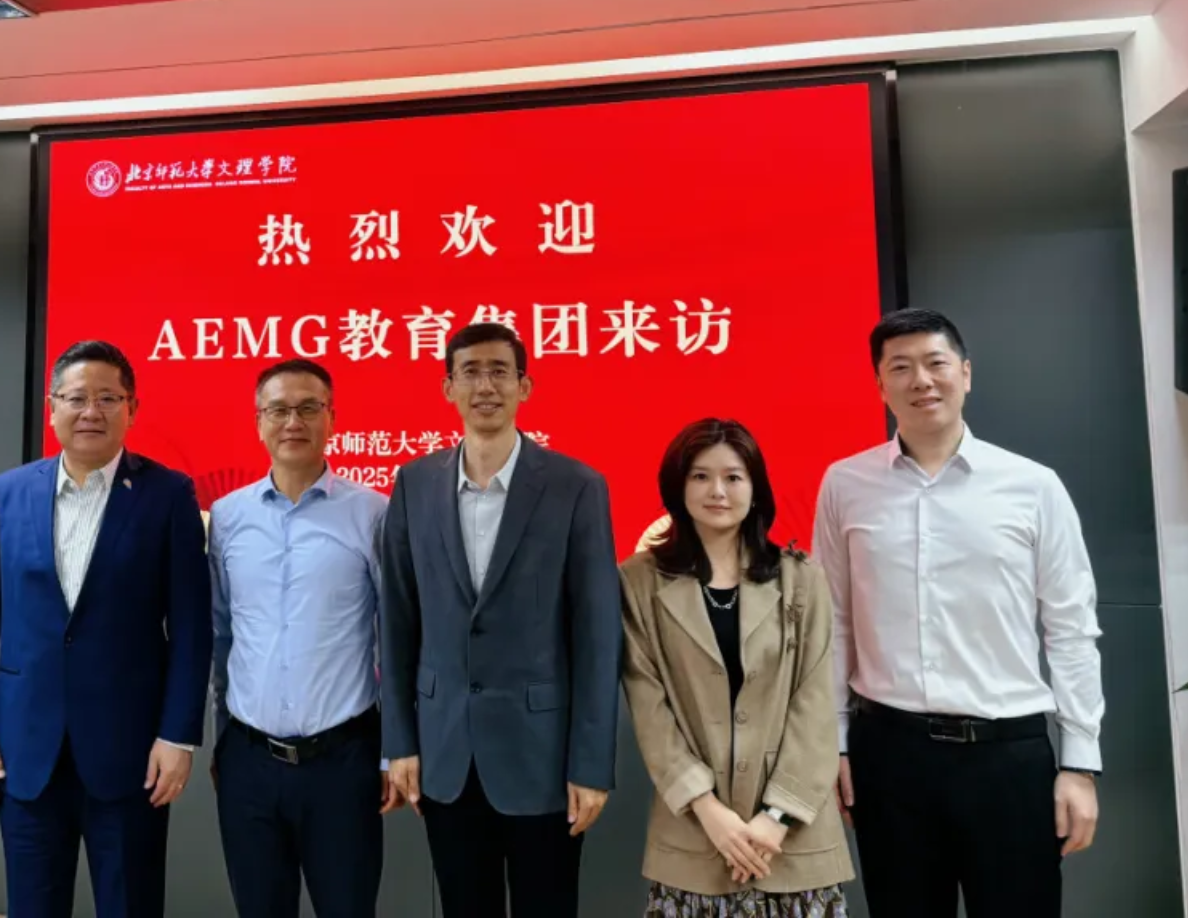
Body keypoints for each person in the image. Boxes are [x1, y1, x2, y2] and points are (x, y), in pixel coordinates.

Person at [816, 308, 1103, 918]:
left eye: (936, 363)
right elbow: (833, 621)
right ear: (880, 385)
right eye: (901, 368)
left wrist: (1080, 762)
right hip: (888, 756)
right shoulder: (845, 484)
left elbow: (1072, 629)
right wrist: (835, 742)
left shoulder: (1033, 486)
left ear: (966, 374)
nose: (921, 380)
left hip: (1007, 758)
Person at [0, 340, 212, 918]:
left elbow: (193, 630)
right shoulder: (8, 493)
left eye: (108, 398)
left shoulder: (168, 495)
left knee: (131, 904)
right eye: (76, 398)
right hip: (24, 750)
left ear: (132, 409)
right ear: (52, 408)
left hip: (132, 752)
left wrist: (178, 736)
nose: (91, 411)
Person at [379, 322, 622, 918]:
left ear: (524, 386)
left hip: (544, 758)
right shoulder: (414, 484)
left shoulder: (576, 486)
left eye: (499, 372)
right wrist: (400, 744)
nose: (485, 386)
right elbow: (398, 621)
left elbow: (597, 637)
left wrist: (591, 765)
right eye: (470, 372)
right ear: (448, 388)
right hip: (446, 755)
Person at [619, 418, 852, 918]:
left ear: (755, 487)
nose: (717, 491)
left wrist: (775, 817)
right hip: (693, 833)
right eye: (700, 476)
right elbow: (648, 704)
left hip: (791, 839)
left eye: (733, 477)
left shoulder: (801, 578)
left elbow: (816, 703)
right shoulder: (637, 582)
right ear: (678, 486)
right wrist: (707, 809)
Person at [209, 359, 400, 918]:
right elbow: (221, 634)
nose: (293, 421)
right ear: (258, 422)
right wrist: (222, 742)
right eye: (278, 410)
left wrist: (391, 751)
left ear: (331, 418)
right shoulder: (227, 516)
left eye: (308, 408)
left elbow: (394, 636)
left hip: (342, 762)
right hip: (248, 761)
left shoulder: (373, 513)